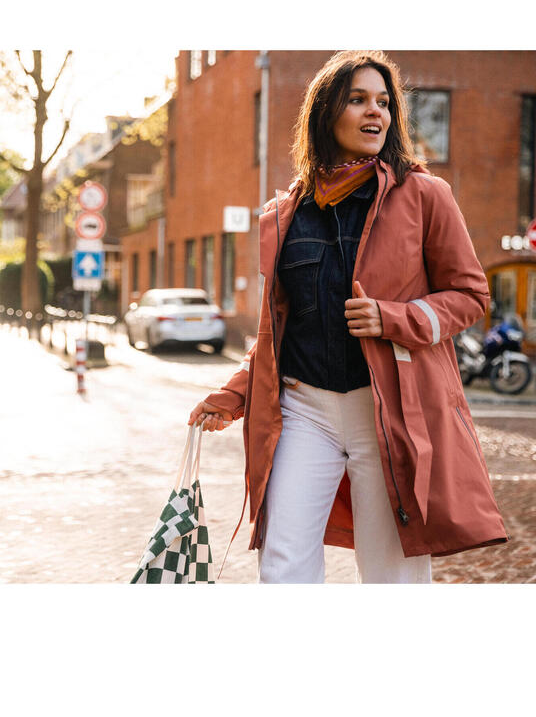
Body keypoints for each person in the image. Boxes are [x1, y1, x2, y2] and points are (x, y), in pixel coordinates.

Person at [189, 50, 508, 584]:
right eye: (358, 99)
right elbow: (280, 331)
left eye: (384, 102)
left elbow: (471, 295)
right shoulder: (283, 214)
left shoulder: (425, 195)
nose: (375, 113)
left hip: (385, 413)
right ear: (326, 111)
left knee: (391, 572)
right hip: (304, 409)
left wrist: (393, 318)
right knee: (282, 562)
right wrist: (239, 391)